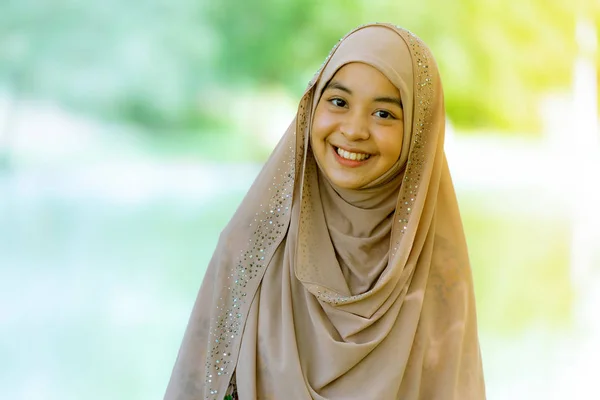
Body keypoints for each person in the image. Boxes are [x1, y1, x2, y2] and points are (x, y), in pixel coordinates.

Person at [164, 22, 486, 400]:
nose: (353, 130)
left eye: (383, 114)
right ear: (312, 107)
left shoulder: (438, 280)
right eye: (338, 102)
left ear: (419, 133)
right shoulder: (251, 252)